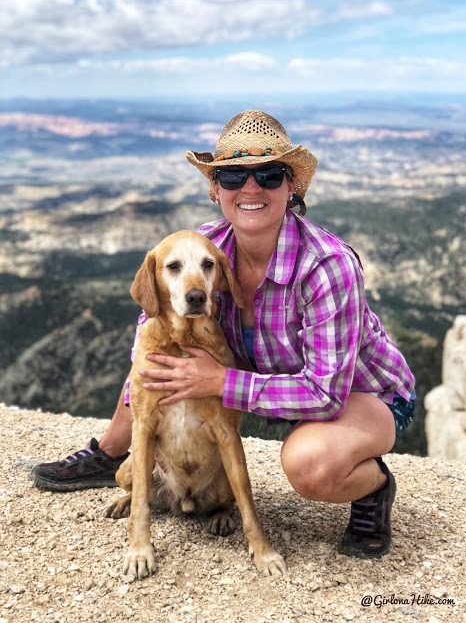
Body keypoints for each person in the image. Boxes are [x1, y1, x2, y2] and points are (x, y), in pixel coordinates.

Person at [31, 110, 415, 559]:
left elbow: (325, 394)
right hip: (272, 387)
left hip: (359, 395)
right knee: (162, 354)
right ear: (216, 190)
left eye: (269, 175)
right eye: (233, 176)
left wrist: (216, 382)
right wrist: (138, 418)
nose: (250, 189)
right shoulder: (206, 250)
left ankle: (374, 487)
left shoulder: (326, 267)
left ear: (292, 187)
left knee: (309, 466)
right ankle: (110, 453)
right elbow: (151, 329)